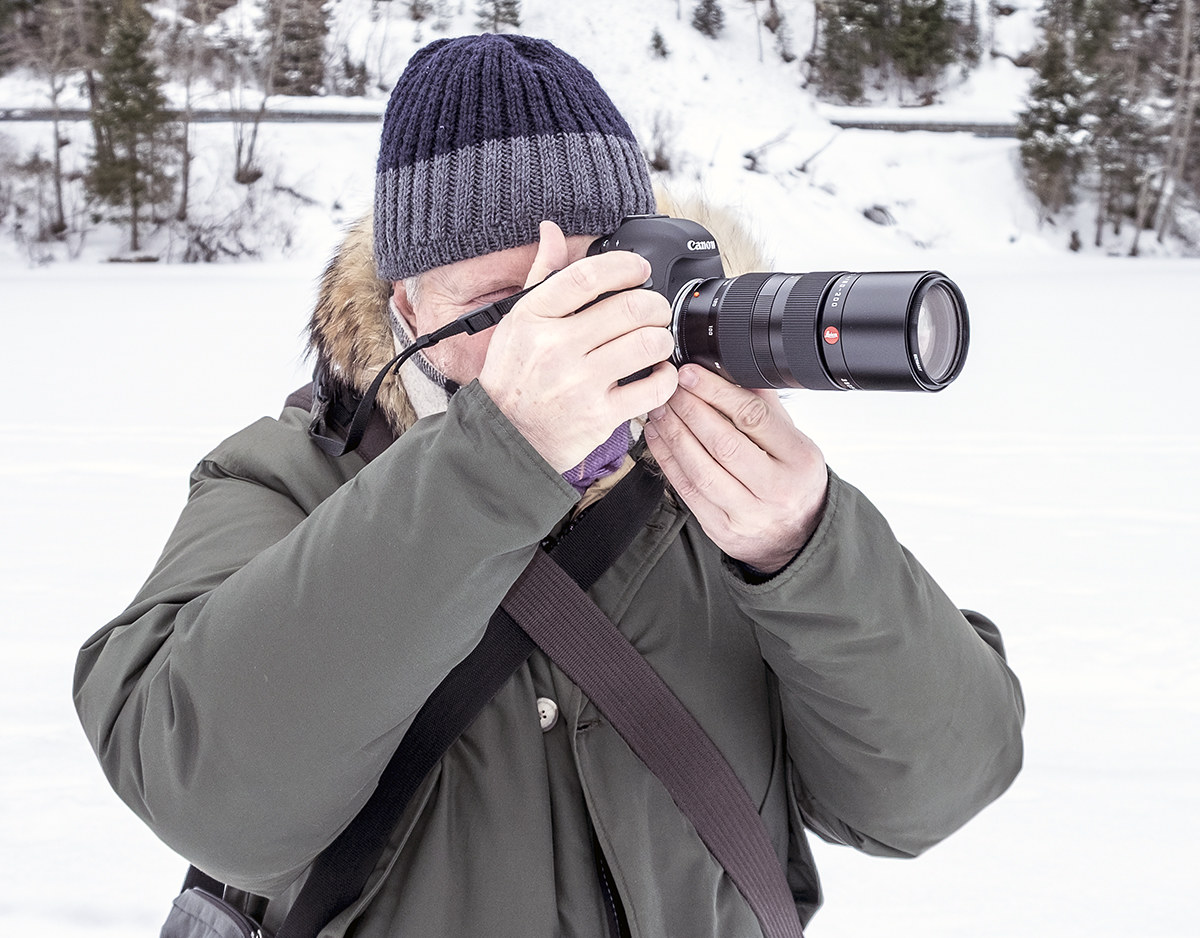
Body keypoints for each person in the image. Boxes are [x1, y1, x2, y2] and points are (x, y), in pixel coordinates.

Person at [73, 34, 1024, 938]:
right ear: (406, 308)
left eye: (593, 280)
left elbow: (934, 789)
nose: (560, 332)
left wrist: (804, 550)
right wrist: (494, 463)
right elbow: (209, 795)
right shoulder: (285, 480)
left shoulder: (713, 478)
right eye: (498, 303)